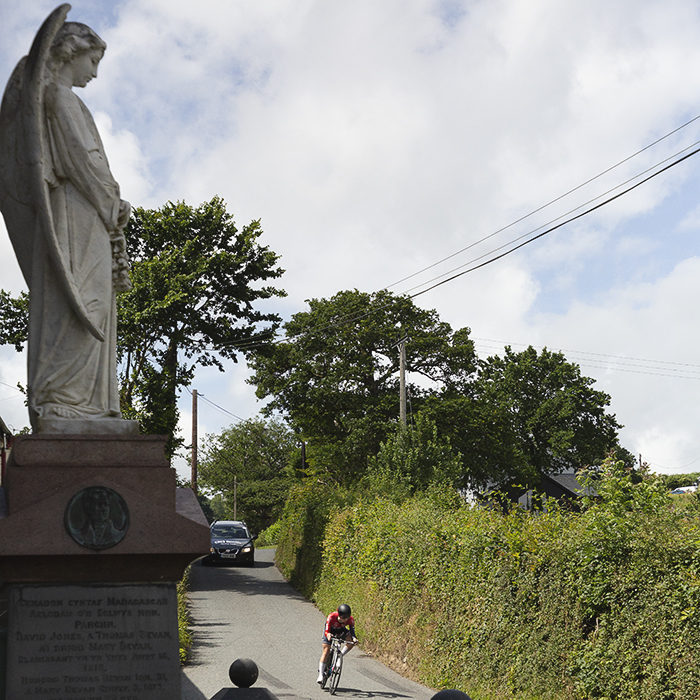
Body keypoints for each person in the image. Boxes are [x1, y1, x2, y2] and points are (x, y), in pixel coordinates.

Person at [0, 15, 131, 431]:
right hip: (76, 214)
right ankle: (62, 400)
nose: (94, 72)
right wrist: (111, 200)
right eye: (93, 60)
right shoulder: (60, 98)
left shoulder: (62, 99)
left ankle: (86, 405)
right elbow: (80, 160)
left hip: (84, 212)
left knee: (91, 300)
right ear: (72, 53)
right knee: (81, 300)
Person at [317, 603, 358, 684]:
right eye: (343, 618)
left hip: (341, 630)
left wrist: (354, 638)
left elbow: (352, 632)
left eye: (347, 618)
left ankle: (340, 656)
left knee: (352, 641)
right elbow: (327, 630)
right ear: (339, 615)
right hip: (330, 630)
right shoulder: (331, 616)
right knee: (326, 651)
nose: (345, 620)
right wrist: (328, 634)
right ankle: (320, 675)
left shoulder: (350, 620)